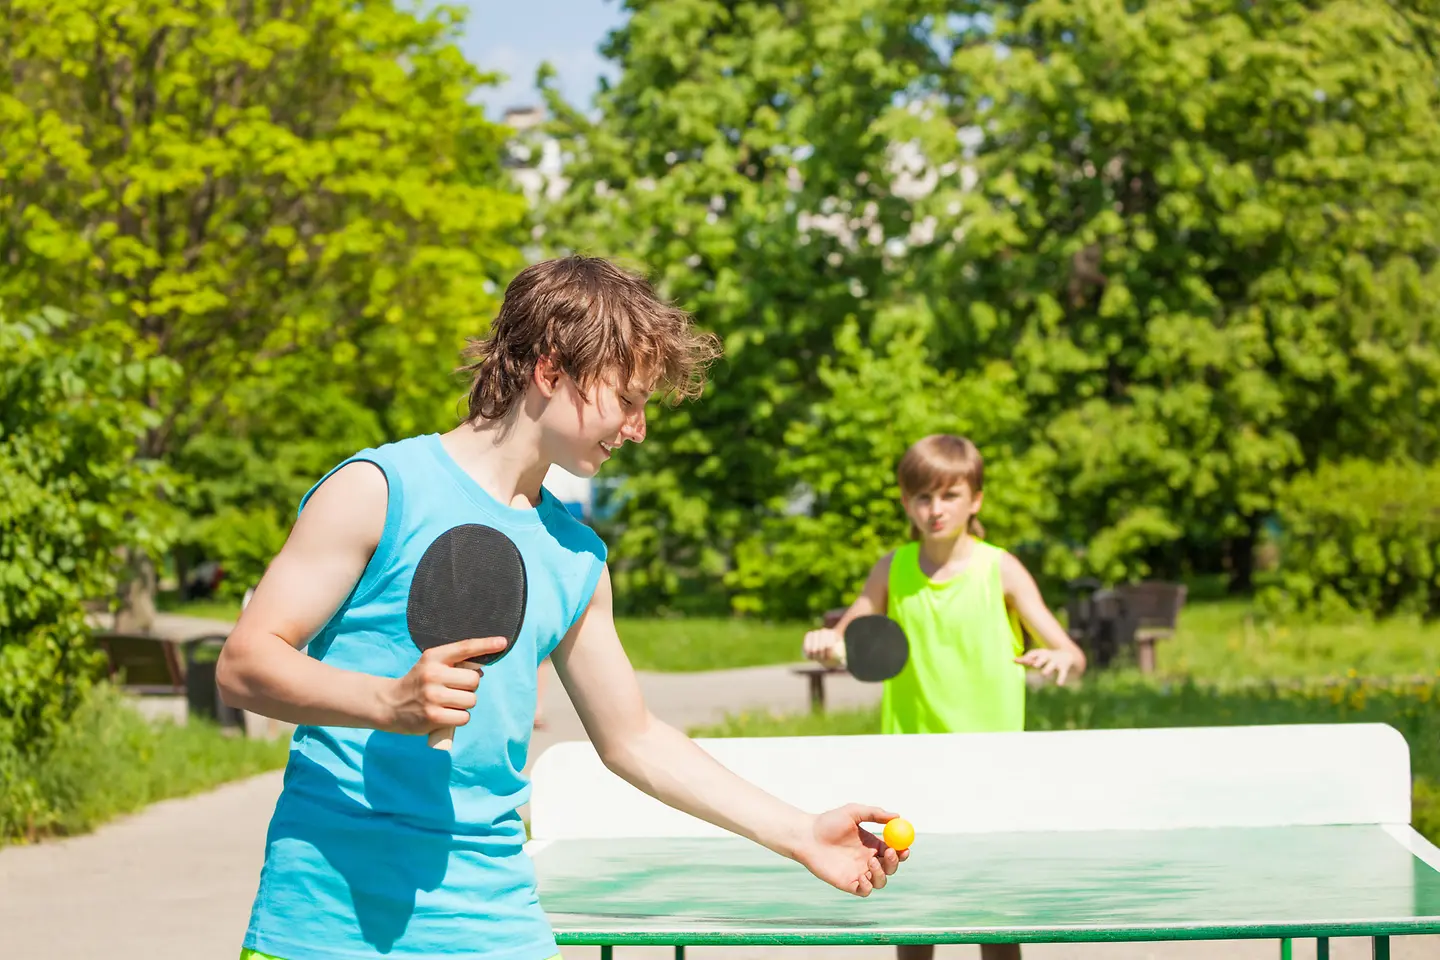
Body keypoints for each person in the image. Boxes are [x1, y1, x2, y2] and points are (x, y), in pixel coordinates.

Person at [216, 256, 908, 960]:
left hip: (494, 922)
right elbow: (243, 666)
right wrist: (386, 702)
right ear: (551, 370)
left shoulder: (578, 556)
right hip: (324, 923)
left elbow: (633, 738)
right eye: (627, 400)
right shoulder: (378, 489)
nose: (638, 429)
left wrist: (799, 833)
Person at [802, 433, 1087, 960]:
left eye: (950, 495)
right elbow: (845, 640)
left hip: (992, 764)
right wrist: (826, 644)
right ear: (905, 501)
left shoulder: (1000, 568)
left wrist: (1061, 659)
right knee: (914, 921)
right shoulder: (892, 568)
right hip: (910, 764)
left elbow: (1071, 652)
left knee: (995, 923)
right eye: (923, 497)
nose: (935, 509)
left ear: (975, 499)